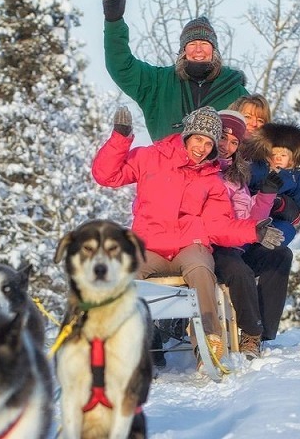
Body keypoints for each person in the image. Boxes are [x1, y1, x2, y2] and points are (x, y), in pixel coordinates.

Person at [91, 105, 283, 369]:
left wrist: (253, 230)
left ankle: (209, 342)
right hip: (149, 245)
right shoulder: (150, 157)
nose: (202, 148)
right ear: (187, 135)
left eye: (209, 143)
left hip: (189, 245)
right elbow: (106, 175)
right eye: (198, 139)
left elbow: (219, 226)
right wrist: (120, 138)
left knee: (202, 269)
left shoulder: (211, 180)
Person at [101, 0, 249, 141]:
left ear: (214, 51)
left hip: (218, 165)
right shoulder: (158, 83)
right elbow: (122, 66)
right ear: (183, 51)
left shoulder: (235, 92)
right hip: (165, 164)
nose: (198, 50)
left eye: (205, 44)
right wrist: (114, 22)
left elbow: (257, 133)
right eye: (192, 44)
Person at [214, 110, 293, 357]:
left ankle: (264, 333)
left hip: (238, 242)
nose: (227, 146)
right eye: (222, 138)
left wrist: (267, 194)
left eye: (234, 142)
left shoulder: (236, 176)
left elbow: (251, 218)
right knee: (239, 269)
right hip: (213, 246)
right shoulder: (203, 170)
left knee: (280, 254)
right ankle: (251, 332)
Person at [245, 123, 300, 245]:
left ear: (292, 159)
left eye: (283, 155)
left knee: (286, 230)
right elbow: (245, 182)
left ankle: (273, 248)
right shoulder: (259, 169)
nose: (278, 158)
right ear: (267, 156)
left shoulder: (295, 177)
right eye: (274, 155)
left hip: (278, 217)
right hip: (254, 210)